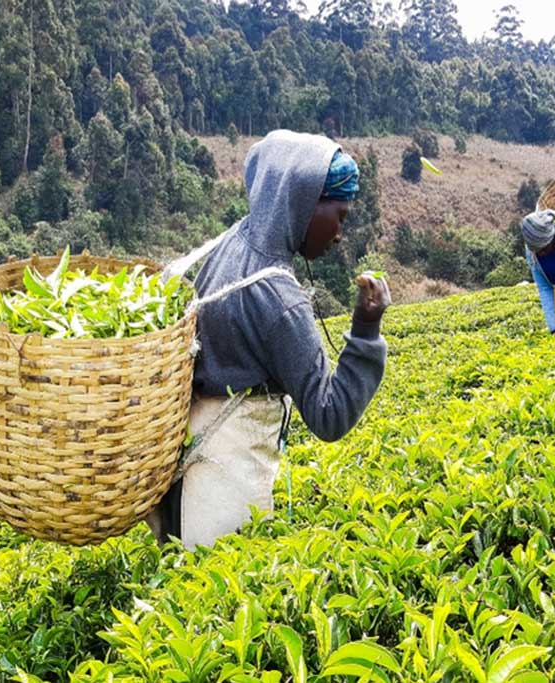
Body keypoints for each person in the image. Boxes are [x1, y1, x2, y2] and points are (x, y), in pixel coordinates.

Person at [146, 130, 391, 550]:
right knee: (225, 595)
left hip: (181, 469)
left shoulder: (229, 247)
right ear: (303, 202)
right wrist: (366, 331)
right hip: (225, 479)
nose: (338, 235)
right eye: (341, 216)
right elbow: (328, 416)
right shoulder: (278, 298)